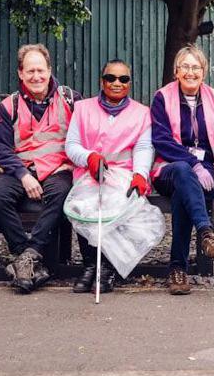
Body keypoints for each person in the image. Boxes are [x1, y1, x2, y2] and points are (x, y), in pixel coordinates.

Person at [0, 44, 82, 294]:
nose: (36, 77)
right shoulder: (9, 105)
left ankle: (29, 255)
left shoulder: (71, 99)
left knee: (60, 195)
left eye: (41, 70)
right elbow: (2, 149)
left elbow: (84, 135)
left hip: (58, 169)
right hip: (20, 169)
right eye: (30, 71)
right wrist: (22, 175)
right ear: (20, 73)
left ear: (50, 70)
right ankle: (27, 257)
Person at [151, 45, 214, 296]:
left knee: (184, 194)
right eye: (185, 67)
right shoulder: (162, 98)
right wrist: (193, 163)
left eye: (196, 67)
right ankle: (205, 232)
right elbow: (161, 140)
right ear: (176, 71)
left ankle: (177, 270)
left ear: (204, 71)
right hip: (168, 169)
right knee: (182, 171)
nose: (190, 72)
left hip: (208, 174)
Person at [65, 59, 154, 294]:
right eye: (111, 78)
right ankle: (91, 265)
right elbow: (72, 144)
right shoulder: (83, 108)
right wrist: (89, 158)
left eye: (123, 79)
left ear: (129, 83)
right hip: (90, 172)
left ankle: (107, 267)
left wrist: (140, 175)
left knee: (117, 203)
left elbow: (143, 148)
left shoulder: (142, 113)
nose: (117, 83)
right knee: (85, 205)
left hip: (123, 173)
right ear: (102, 81)